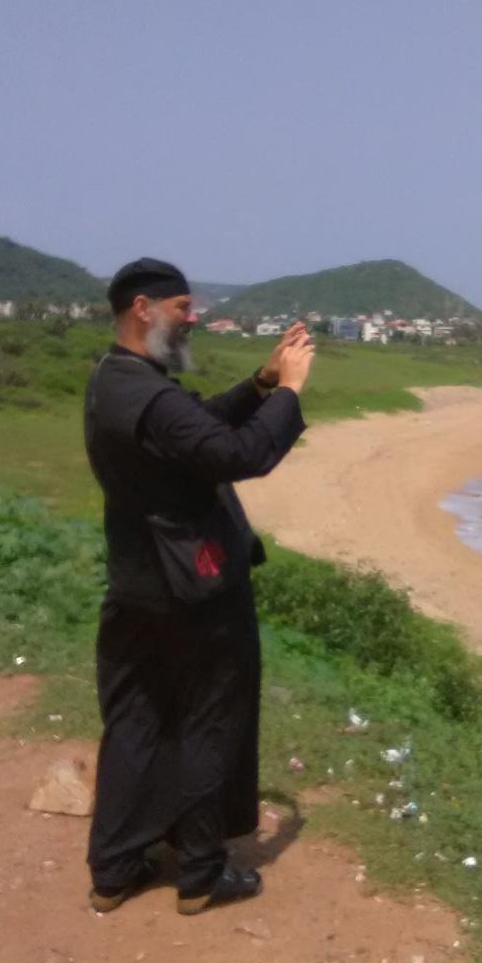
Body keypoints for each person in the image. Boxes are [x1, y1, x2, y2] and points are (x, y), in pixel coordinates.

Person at [82, 257, 314, 916]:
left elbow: (197, 431)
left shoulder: (114, 380)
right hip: (195, 589)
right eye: (183, 307)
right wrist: (292, 393)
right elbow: (238, 455)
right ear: (142, 310)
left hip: (135, 587)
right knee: (209, 719)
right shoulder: (150, 394)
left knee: (134, 720)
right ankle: (202, 872)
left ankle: (116, 866)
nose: (194, 318)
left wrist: (260, 383)